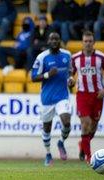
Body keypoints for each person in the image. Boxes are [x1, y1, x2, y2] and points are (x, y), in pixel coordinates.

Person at [68, 31, 104, 164]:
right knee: (85, 124)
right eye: (85, 41)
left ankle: (83, 145)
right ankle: (88, 156)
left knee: (93, 126)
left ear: (94, 42)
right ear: (82, 42)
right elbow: (70, 75)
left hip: (98, 95)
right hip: (82, 95)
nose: (88, 43)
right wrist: (70, 81)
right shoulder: (75, 58)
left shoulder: (101, 57)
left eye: (90, 41)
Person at [31, 32, 72, 166]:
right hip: (47, 98)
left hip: (62, 96)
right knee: (47, 128)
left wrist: (71, 79)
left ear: (60, 41)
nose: (54, 41)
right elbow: (33, 77)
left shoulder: (67, 55)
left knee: (66, 122)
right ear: (48, 41)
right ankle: (48, 154)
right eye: (52, 39)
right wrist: (48, 74)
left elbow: (70, 71)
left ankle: (61, 142)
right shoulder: (42, 57)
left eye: (56, 39)